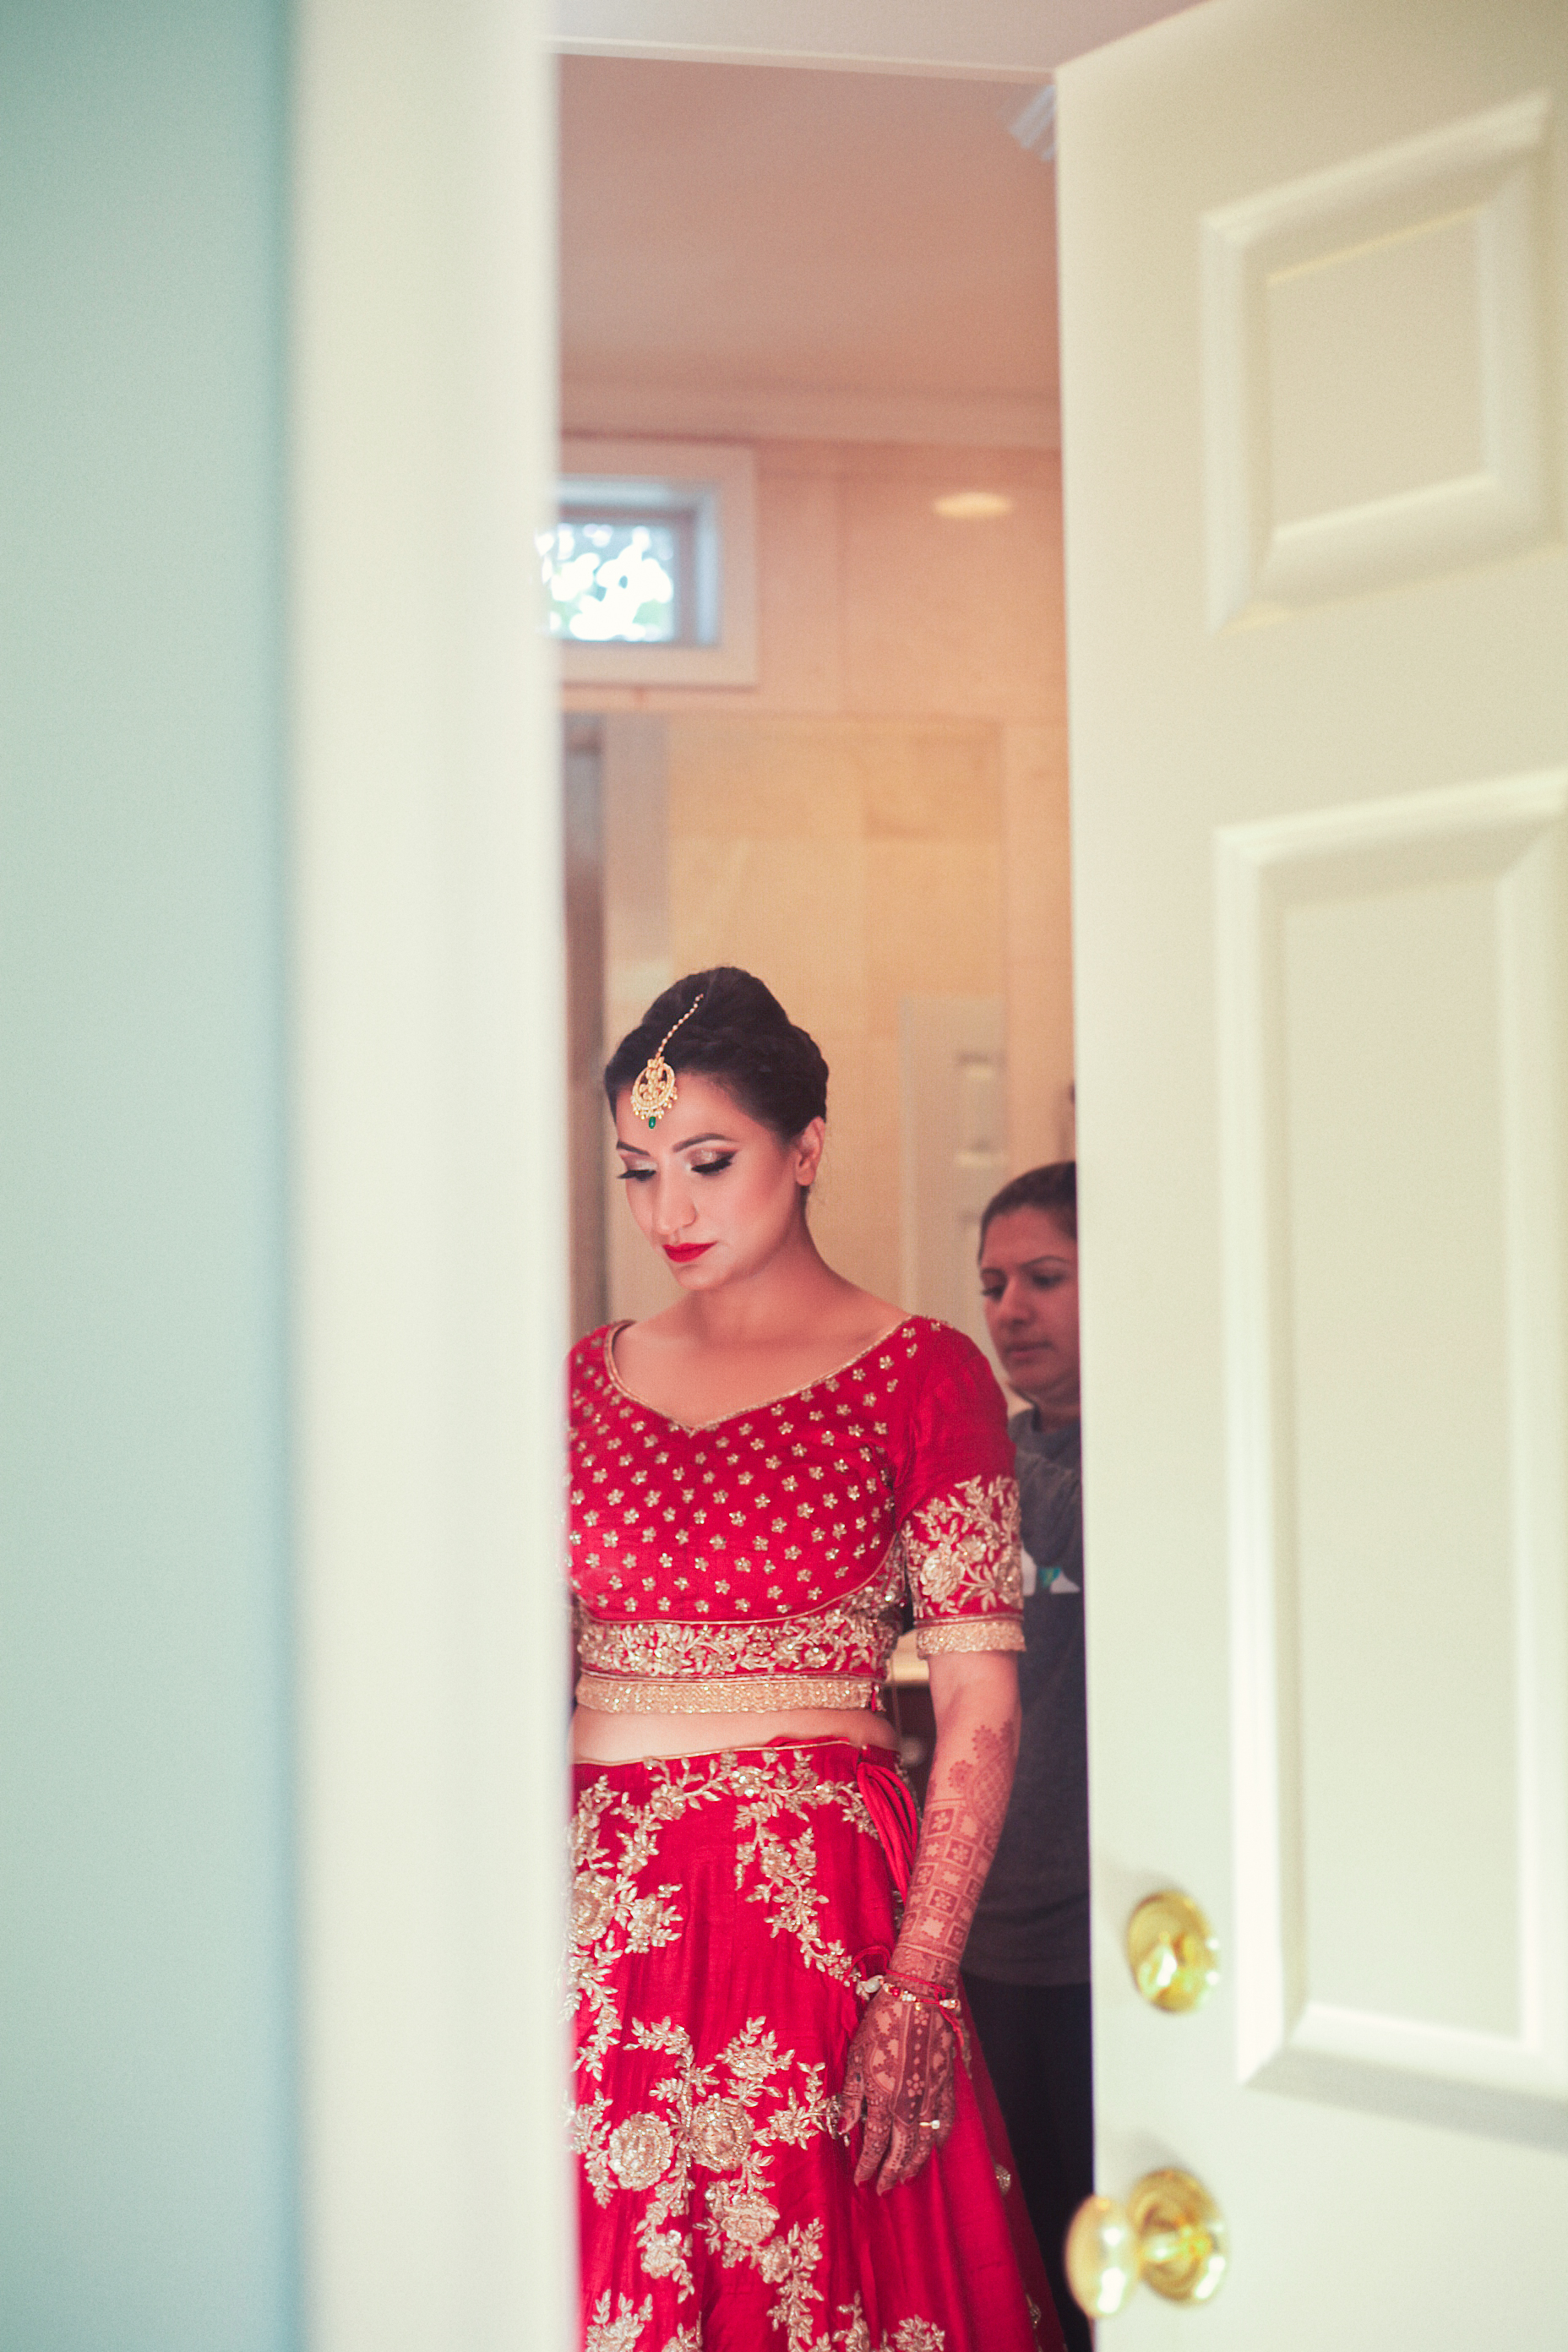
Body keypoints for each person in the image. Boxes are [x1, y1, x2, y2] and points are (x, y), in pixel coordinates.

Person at [568, 966, 1064, 2352]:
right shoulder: (578, 1381)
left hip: (813, 1922)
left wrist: (920, 1979)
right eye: (639, 1172)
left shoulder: (922, 1372)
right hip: (590, 1915)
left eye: (708, 1162)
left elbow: (979, 1699)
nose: (669, 1212)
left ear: (806, 1149)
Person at [962, 1164, 1092, 2352]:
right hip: (991, 1932)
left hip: (1109, 1935)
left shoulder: (1157, 1466)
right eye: (993, 1285)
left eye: (1044, 1278)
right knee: (1028, 2262)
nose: (1011, 1311)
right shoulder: (989, 1467)